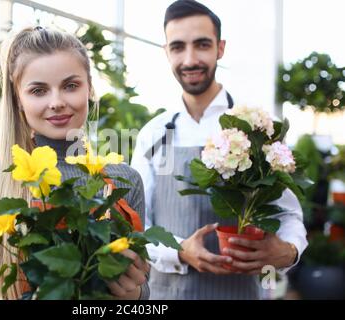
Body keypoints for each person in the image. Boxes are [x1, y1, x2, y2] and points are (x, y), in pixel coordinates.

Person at [0, 27, 150, 300]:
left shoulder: (124, 180)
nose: (56, 102)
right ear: (18, 99)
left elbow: (142, 290)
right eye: (38, 90)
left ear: (90, 88)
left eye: (70, 86)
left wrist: (134, 293)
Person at [131, 0, 307, 299]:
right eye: (177, 47)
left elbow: (289, 216)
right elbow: (136, 224)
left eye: (201, 45)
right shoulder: (154, 133)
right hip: (167, 293)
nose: (189, 60)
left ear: (220, 48)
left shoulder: (258, 128)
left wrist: (289, 251)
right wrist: (180, 251)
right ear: (166, 52)